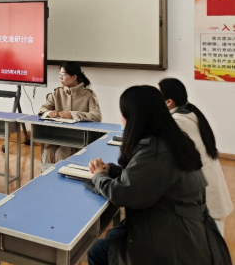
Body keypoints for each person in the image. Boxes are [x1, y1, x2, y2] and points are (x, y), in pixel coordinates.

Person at [86, 85, 231, 265]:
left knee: (97, 251)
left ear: (134, 117)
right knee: (113, 235)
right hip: (183, 226)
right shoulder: (171, 138)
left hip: (173, 238)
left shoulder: (156, 150)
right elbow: (146, 178)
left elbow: (123, 194)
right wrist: (112, 171)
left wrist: (99, 176)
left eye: (122, 113)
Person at [159, 77, 233, 234]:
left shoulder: (178, 121)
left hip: (201, 186)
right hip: (206, 182)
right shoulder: (191, 113)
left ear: (169, 102)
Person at [38, 62, 101, 167]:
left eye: (63, 74)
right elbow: (42, 109)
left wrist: (73, 114)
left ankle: (63, 177)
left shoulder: (88, 95)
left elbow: (96, 116)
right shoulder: (57, 92)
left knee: (61, 153)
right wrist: (49, 113)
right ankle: (46, 177)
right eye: (59, 74)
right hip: (57, 137)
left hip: (78, 139)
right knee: (47, 153)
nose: (60, 77)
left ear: (74, 77)